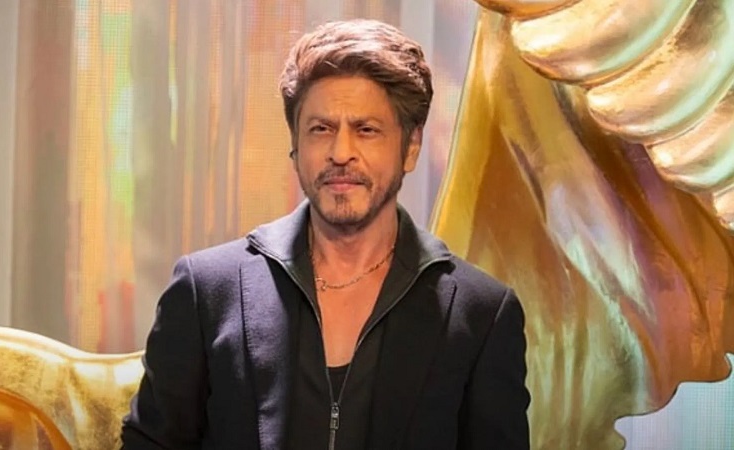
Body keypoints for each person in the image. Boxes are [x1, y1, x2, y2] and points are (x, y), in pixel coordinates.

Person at [121, 18, 530, 449]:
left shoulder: (481, 315)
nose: (341, 152)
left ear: (410, 147)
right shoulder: (206, 291)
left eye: (366, 130)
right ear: (296, 145)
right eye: (321, 129)